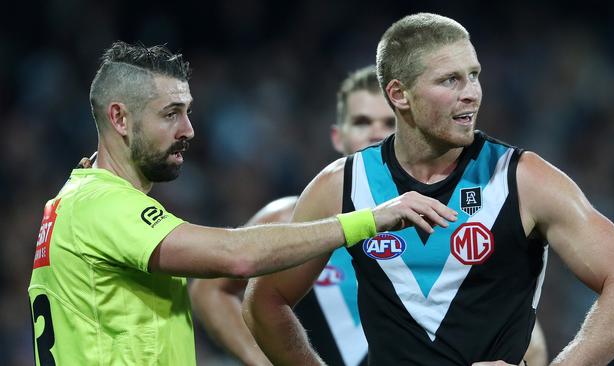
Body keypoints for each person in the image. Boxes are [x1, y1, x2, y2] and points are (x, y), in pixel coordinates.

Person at [243, 13, 614, 366]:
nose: (471, 92)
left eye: (474, 75)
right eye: (450, 80)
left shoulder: (523, 179)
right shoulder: (344, 184)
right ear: (399, 95)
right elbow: (264, 300)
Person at [27, 41, 458, 365]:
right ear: (119, 118)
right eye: (170, 113)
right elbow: (235, 258)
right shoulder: (102, 204)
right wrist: (370, 219)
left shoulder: (75, 202)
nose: (189, 129)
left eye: (188, 111)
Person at [191, 65, 396, 366]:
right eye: (362, 122)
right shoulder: (293, 217)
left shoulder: (438, 216)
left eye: (389, 122)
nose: (377, 133)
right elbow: (210, 291)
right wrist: (264, 361)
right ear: (338, 137)